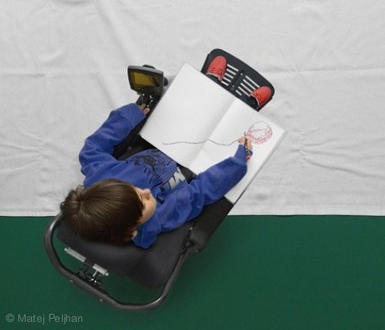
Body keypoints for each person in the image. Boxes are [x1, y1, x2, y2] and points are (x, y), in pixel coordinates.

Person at [61, 103, 252, 248]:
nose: (146, 192)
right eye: (144, 202)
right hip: (193, 159)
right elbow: (199, 193)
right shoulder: (161, 216)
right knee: (223, 118)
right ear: (133, 232)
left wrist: (129, 116)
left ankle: (212, 82)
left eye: (136, 191)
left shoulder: (101, 176)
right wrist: (236, 164)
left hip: (162, 139)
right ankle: (249, 103)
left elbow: (93, 146)